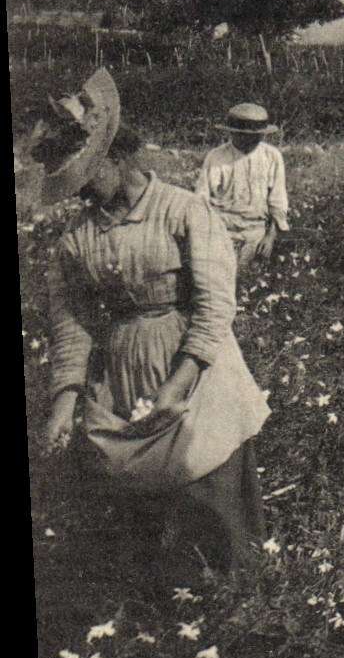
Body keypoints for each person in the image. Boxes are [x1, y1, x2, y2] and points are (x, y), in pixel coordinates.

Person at [32, 69, 270, 574]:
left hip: (197, 370)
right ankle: (164, 620)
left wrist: (179, 383)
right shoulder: (76, 239)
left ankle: (239, 616)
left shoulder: (183, 211)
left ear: (116, 156)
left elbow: (214, 307)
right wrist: (64, 400)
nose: (81, 194)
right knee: (139, 516)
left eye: (86, 177)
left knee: (211, 493)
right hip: (125, 372)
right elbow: (71, 322)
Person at [195, 102, 290, 269]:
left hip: (256, 234)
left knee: (251, 284)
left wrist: (270, 238)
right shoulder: (216, 157)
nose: (251, 140)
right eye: (244, 135)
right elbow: (200, 201)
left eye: (257, 135)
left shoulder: (272, 156)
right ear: (233, 133)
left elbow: (278, 202)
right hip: (221, 233)